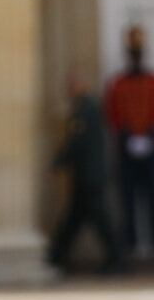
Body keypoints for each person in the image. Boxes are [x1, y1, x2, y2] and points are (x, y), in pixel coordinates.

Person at [104, 26, 154, 259]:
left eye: (138, 53)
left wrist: (150, 132)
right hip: (126, 145)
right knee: (127, 199)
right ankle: (130, 244)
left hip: (149, 145)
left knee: (153, 197)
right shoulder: (118, 83)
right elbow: (112, 113)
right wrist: (125, 133)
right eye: (132, 53)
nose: (136, 58)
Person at [45, 74, 116, 274]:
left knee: (99, 220)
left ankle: (117, 258)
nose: (68, 91)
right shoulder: (87, 107)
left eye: (71, 86)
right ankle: (55, 254)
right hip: (87, 175)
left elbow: (76, 142)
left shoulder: (85, 109)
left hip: (90, 176)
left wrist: (58, 163)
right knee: (74, 219)